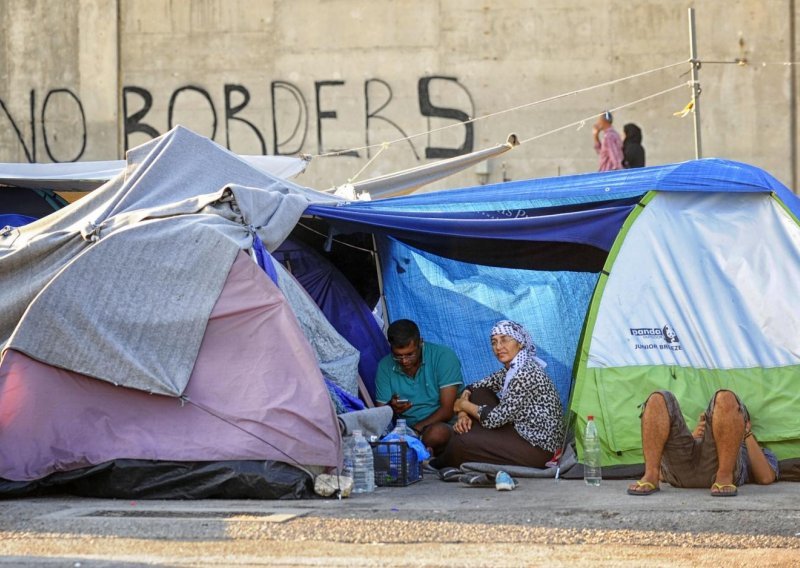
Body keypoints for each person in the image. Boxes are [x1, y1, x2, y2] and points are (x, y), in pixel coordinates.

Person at [430, 320, 564, 469]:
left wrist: (463, 405)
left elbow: (495, 419)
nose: (498, 347)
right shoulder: (512, 368)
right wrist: (462, 413)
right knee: (480, 393)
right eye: (494, 342)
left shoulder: (524, 373)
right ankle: (470, 436)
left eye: (505, 340)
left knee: (462, 443)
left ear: (520, 343)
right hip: (518, 431)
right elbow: (474, 387)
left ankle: (436, 461)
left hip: (539, 449)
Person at [627, 390, 778, 496]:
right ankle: (649, 475)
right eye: (710, 422)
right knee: (658, 398)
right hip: (683, 471)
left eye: (719, 421)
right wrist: (693, 438)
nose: (711, 427)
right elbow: (663, 475)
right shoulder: (693, 440)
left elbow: (766, 477)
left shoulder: (756, 450)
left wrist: (744, 432)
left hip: (721, 472)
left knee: (726, 398)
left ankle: (724, 475)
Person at [374, 319, 464, 455]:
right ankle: (421, 452)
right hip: (406, 431)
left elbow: (447, 410)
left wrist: (414, 431)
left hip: (443, 424)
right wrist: (391, 407)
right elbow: (381, 414)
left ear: (420, 343)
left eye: (410, 354)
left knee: (436, 434)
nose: (404, 361)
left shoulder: (443, 357)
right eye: (398, 356)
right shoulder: (384, 366)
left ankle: (418, 450)